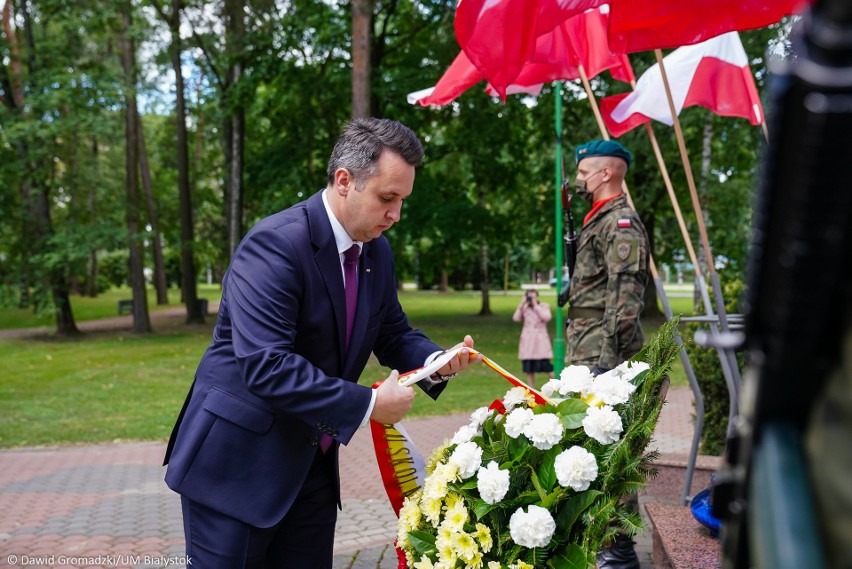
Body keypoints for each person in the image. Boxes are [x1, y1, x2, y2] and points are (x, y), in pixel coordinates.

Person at [163, 117, 481, 569]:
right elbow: (267, 365)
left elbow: (390, 331)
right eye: (387, 199)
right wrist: (369, 406)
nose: (396, 215)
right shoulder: (275, 244)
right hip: (236, 469)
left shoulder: (377, 251)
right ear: (344, 181)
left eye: (402, 201)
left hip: (311, 465)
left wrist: (436, 361)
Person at [566, 139, 649, 569]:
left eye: (584, 172)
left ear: (606, 174)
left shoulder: (621, 224)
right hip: (587, 346)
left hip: (603, 353)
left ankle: (619, 549)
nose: (579, 179)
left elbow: (625, 299)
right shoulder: (597, 220)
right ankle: (600, 540)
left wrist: (608, 364)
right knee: (589, 445)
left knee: (609, 448)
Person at [512, 289, 553, 388]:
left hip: (540, 340)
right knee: (529, 369)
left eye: (533, 297)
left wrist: (536, 306)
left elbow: (547, 317)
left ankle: (556, 386)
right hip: (528, 341)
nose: (531, 299)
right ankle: (532, 389)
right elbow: (516, 318)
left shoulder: (543, 306)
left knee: (547, 367)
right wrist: (521, 304)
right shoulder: (524, 308)